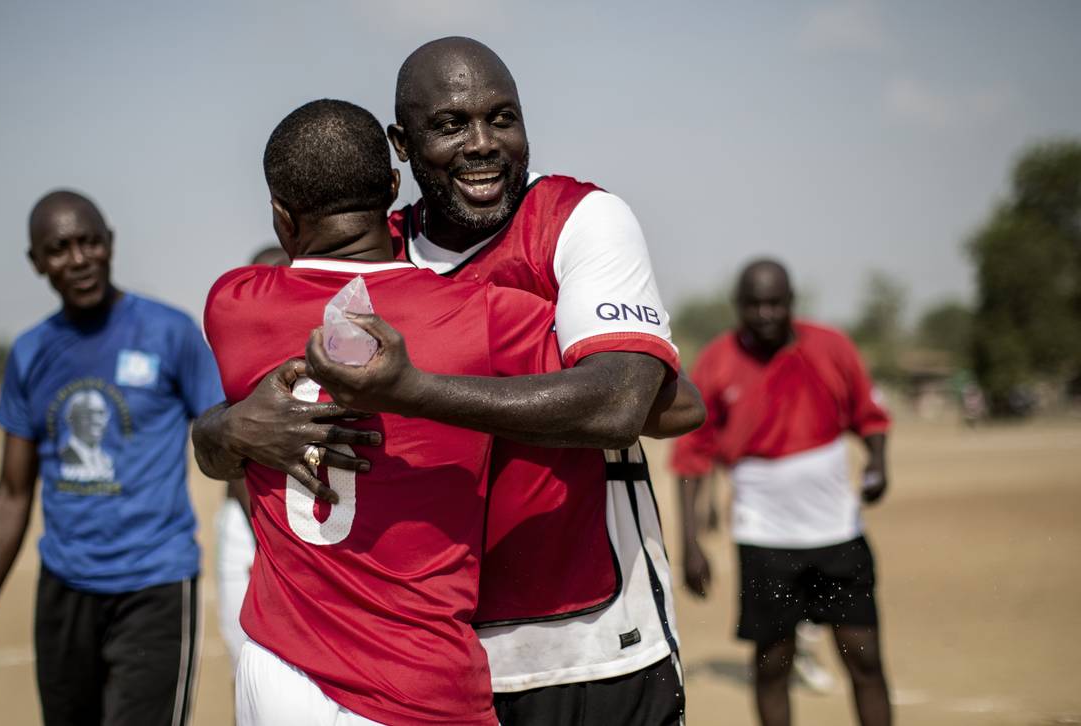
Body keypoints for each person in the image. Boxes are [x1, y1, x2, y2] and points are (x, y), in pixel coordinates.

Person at [195, 37, 704, 725]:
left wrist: (411, 389)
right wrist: (222, 427)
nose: (483, 143)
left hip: (591, 638)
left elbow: (630, 402)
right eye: (451, 125)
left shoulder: (578, 219)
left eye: (503, 118)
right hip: (432, 657)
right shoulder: (382, 264)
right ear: (399, 152)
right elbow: (238, 416)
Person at [209, 98, 565, 725]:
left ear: (281, 216)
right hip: (419, 678)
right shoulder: (486, 317)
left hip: (280, 669)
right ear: (394, 190)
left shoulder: (233, 305)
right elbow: (637, 390)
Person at [0, 190, 221, 726]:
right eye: (58, 248)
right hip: (64, 589)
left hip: (155, 585)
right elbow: (12, 493)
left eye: (90, 242)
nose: (78, 259)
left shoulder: (171, 332)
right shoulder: (30, 353)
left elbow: (224, 434)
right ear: (35, 262)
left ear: (110, 244)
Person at [671, 259, 893, 726]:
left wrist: (877, 462)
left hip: (839, 535)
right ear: (739, 306)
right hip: (765, 542)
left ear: (792, 302)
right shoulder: (718, 360)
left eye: (775, 303)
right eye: (754, 304)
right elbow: (692, 455)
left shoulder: (831, 347)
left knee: (865, 660)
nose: (766, 313)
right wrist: (689, 543)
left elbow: (869, 417)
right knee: (773, 665)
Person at [213, 245, 288, 674]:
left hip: (303, 522)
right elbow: (234, 457)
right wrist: (266, 539)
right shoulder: (236, 355)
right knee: (248, 660)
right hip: (249, 522)